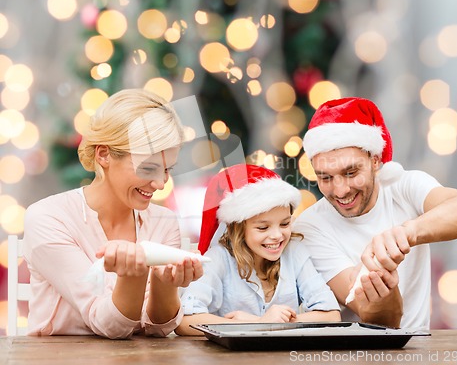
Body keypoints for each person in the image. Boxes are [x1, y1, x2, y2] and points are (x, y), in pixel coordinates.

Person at [23, 89, 203, 339]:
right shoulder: (48, 217)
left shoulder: (164, 222)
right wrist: (134, 274)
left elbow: (158, 328)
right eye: (149, 168)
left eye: (167, 170)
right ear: (104, 154)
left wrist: (166, 284)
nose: (161, 183)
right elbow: (108, 325)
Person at [293, 97, 457, 329]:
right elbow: (376, 319)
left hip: (420, 350)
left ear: (374, 160)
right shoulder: (309, 228)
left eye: (351, 172)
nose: (340, 190)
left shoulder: (404, 186)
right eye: (325, 177)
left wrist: (406, 233)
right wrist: (384, 287)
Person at [175, 164, 341, 335]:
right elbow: (185, 322)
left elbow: (331, 315)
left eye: (285, 224)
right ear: (238, 229)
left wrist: (267, 324)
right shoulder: (219, 258)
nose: (277, 235)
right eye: (263, 228)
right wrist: (261, 323)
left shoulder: (294, 251)